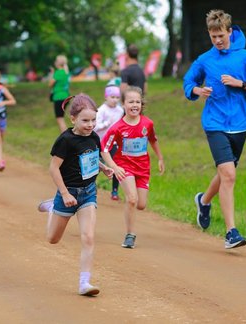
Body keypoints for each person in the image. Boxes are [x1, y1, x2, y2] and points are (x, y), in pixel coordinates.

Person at [183, 9, 246, 249]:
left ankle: (204, 200)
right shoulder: (204, 60)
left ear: (230, 31)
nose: (218, 41)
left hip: (240, 125)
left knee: (225, 173)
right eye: (213, 37)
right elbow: (188, 82)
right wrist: (197, 91)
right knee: (229, 176)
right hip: (214, 123)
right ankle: (231, 232)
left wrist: (240, 83)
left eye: (221, 35)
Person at [37, 94, 114, 296]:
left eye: (93, 120)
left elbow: (89, 156)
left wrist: (103, 167)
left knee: (88, 237)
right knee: (52, 239)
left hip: (88, 194)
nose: (90, 125)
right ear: (73, 119)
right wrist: (63, 194)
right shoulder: (65, 140)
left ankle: (84, 283)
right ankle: (52, 208)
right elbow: (54, 169)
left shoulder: (94, 136)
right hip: (67, 193)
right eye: (85, 120)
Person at [101, 86, 165, 249]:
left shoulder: (147, 123)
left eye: (137, 101)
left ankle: (132, 216)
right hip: (124, 166)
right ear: (123, 104)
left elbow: (153, 140)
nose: (134, 105)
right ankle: (130, 235)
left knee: (141, 204)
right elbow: (105, 149)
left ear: (141, 104)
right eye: (130, 102)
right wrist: (114, 167)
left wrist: (160, 158)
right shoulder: (117, 128)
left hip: (143, 168)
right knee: (132, 199)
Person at [94, 85, 124, 200]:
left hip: (114, 143)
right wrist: (106, 124)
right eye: (112, 97)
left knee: (116, 165)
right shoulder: (101, 110)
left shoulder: (120, 110)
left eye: (117, 97)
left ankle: (115, 191)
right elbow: (95, 127)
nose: (115, 100)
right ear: (106, 97)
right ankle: (92, 186)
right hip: (100, 143)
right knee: (96, 166)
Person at [48, 55, 70, 133]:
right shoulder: (66, 72)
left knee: (60, 119)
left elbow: (50, 84)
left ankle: (65, 137)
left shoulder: (58, 72)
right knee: (61, 118)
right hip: (66, 96)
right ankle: (66, 136)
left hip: (59, 97)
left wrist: (52, 74)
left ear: (58, 63)